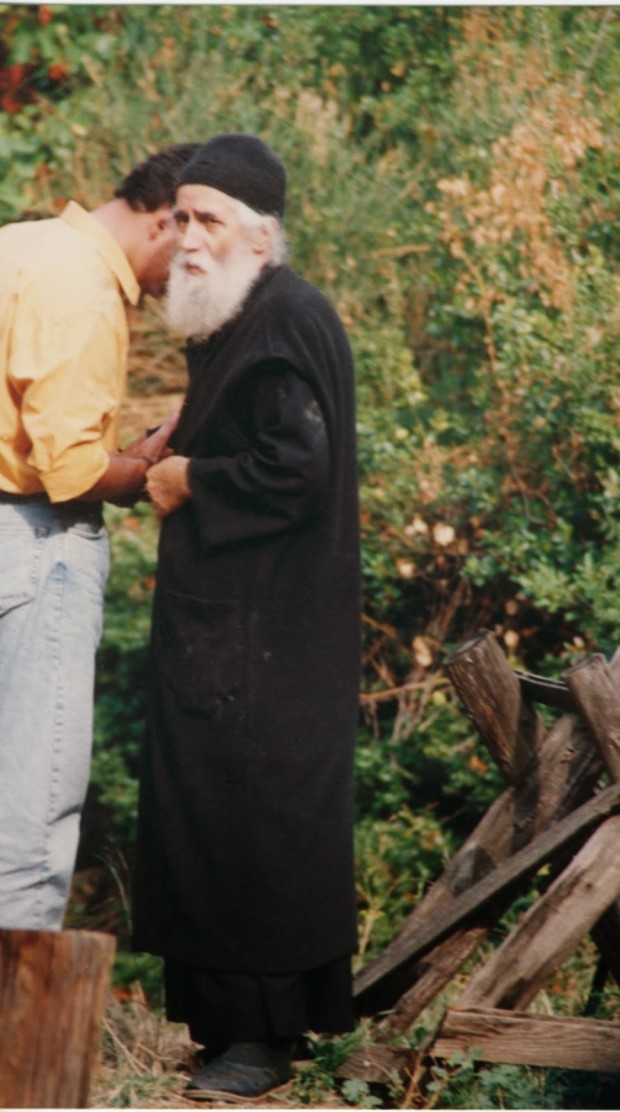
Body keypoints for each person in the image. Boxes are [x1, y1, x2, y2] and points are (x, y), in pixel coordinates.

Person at [132, 134, 361, 1098]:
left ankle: (259, 1045)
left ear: (260, 236)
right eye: (181, 217)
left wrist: (191, 479)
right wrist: (178, 438)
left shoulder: (280, 319)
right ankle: (238, 1031)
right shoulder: (254, 313)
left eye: (210, 220)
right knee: (222, 822)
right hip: (243, 630)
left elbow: (296, 469)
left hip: (265, 638)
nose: (187, 237)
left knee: (252, 827)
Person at [0, 142, 199, 933]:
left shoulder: (21, 242)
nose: (191, 274)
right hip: (33, 541)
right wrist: (150, 468)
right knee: (30, 823)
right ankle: (19, 1012)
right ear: (165, 223)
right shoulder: (83, 289)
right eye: (194, 243)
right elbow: (73, 472)